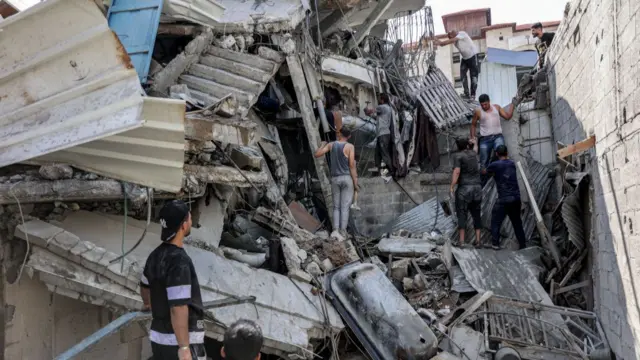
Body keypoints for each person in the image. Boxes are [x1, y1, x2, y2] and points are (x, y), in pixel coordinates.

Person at [140, 200, 206, 360]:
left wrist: (148, 304)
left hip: (159, 339)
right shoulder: (179, 261)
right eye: (189, 218)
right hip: (180, 342)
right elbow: (178, 307)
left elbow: (144, 286)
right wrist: (184, 347)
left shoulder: (154, 256)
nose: (191, 221)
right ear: (183, 225)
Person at [314, 128, 358, 240]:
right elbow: (352, 165)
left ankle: (335, 231)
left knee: (336, 207)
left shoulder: (331, 145)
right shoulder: (350, 147)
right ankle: (343, 232)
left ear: (339, 134)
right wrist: (355, 181)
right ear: (348, 137)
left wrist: (322, 145)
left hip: (335, 179)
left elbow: (317, 154)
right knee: (345, 207)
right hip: (346, 178)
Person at [483, 145, 527, 250]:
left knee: (495, 221)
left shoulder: (495, 165)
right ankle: (523, 245)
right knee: (517, 223)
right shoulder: (512, 164)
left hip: (504, 199)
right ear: (507, 153)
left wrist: (491, 160)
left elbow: (484, 172)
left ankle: (495, 244)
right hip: (516, 198)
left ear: (497, 154)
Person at [471, 94, 515, 185]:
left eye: (485, 104)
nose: (484, 106)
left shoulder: (496, 108)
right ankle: (483, 185)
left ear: (489, 102)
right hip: (485, 139)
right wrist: (473, 138)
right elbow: (473, 125)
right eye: (482, 105)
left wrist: (513, 105)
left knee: (502, 153)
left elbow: (507, 116)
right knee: (483, 162)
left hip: (497, 137)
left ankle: (503, 177)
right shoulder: (478, 111)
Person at [450, 137, 482, 247]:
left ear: (458, 147)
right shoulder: (474, 154)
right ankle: (478, 241)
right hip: (477, 189)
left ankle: (462, 241)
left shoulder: (458, 156)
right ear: (467, 146)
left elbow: (457, 172)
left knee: (462, 214)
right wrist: (475, 143)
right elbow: (475, 150)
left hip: (464, 189)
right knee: (476, 214)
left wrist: (452, 186)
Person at [435, 30, 480, 99]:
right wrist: (436, 40)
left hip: (473, 57)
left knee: (473, 76)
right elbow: (450, 41)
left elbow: (448, 41)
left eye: (451, 35)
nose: (451, 38)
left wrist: (441, 43)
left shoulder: (462, 34)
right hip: (465, 59)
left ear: (455, 34)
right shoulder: (454, 41)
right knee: (462, 76)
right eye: (450, 36)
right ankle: (466, 93)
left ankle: (473, 95)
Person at [364, 93, 394, 180]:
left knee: (384, 153)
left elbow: (370, 111)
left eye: (378, 98)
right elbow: (375, 116)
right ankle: (377, 171)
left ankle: (390, 171)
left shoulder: (382, 107)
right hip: (382, 134)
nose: (378, 100)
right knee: (377, 153)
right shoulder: (386, 109)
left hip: (383, 134)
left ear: (382, 99)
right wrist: (368, 114)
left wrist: (366, 110)